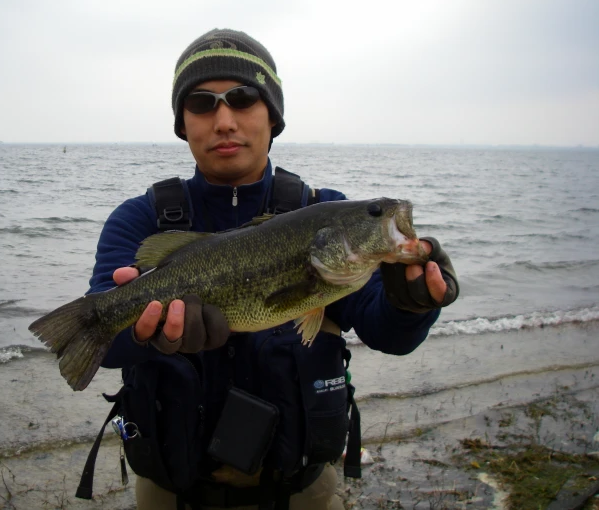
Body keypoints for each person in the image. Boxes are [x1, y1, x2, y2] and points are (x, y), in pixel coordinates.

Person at [86, 28, 459, 510]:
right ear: (182, 122)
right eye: (202, 103)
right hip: (172, 492)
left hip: (302, 489)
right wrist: (142, 333)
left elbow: (392, 335)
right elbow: (103, 345)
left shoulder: (325, 211)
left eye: (243, 99)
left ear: (272, 115)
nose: (224, 120)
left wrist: (412, 303)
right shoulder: (139, 221)